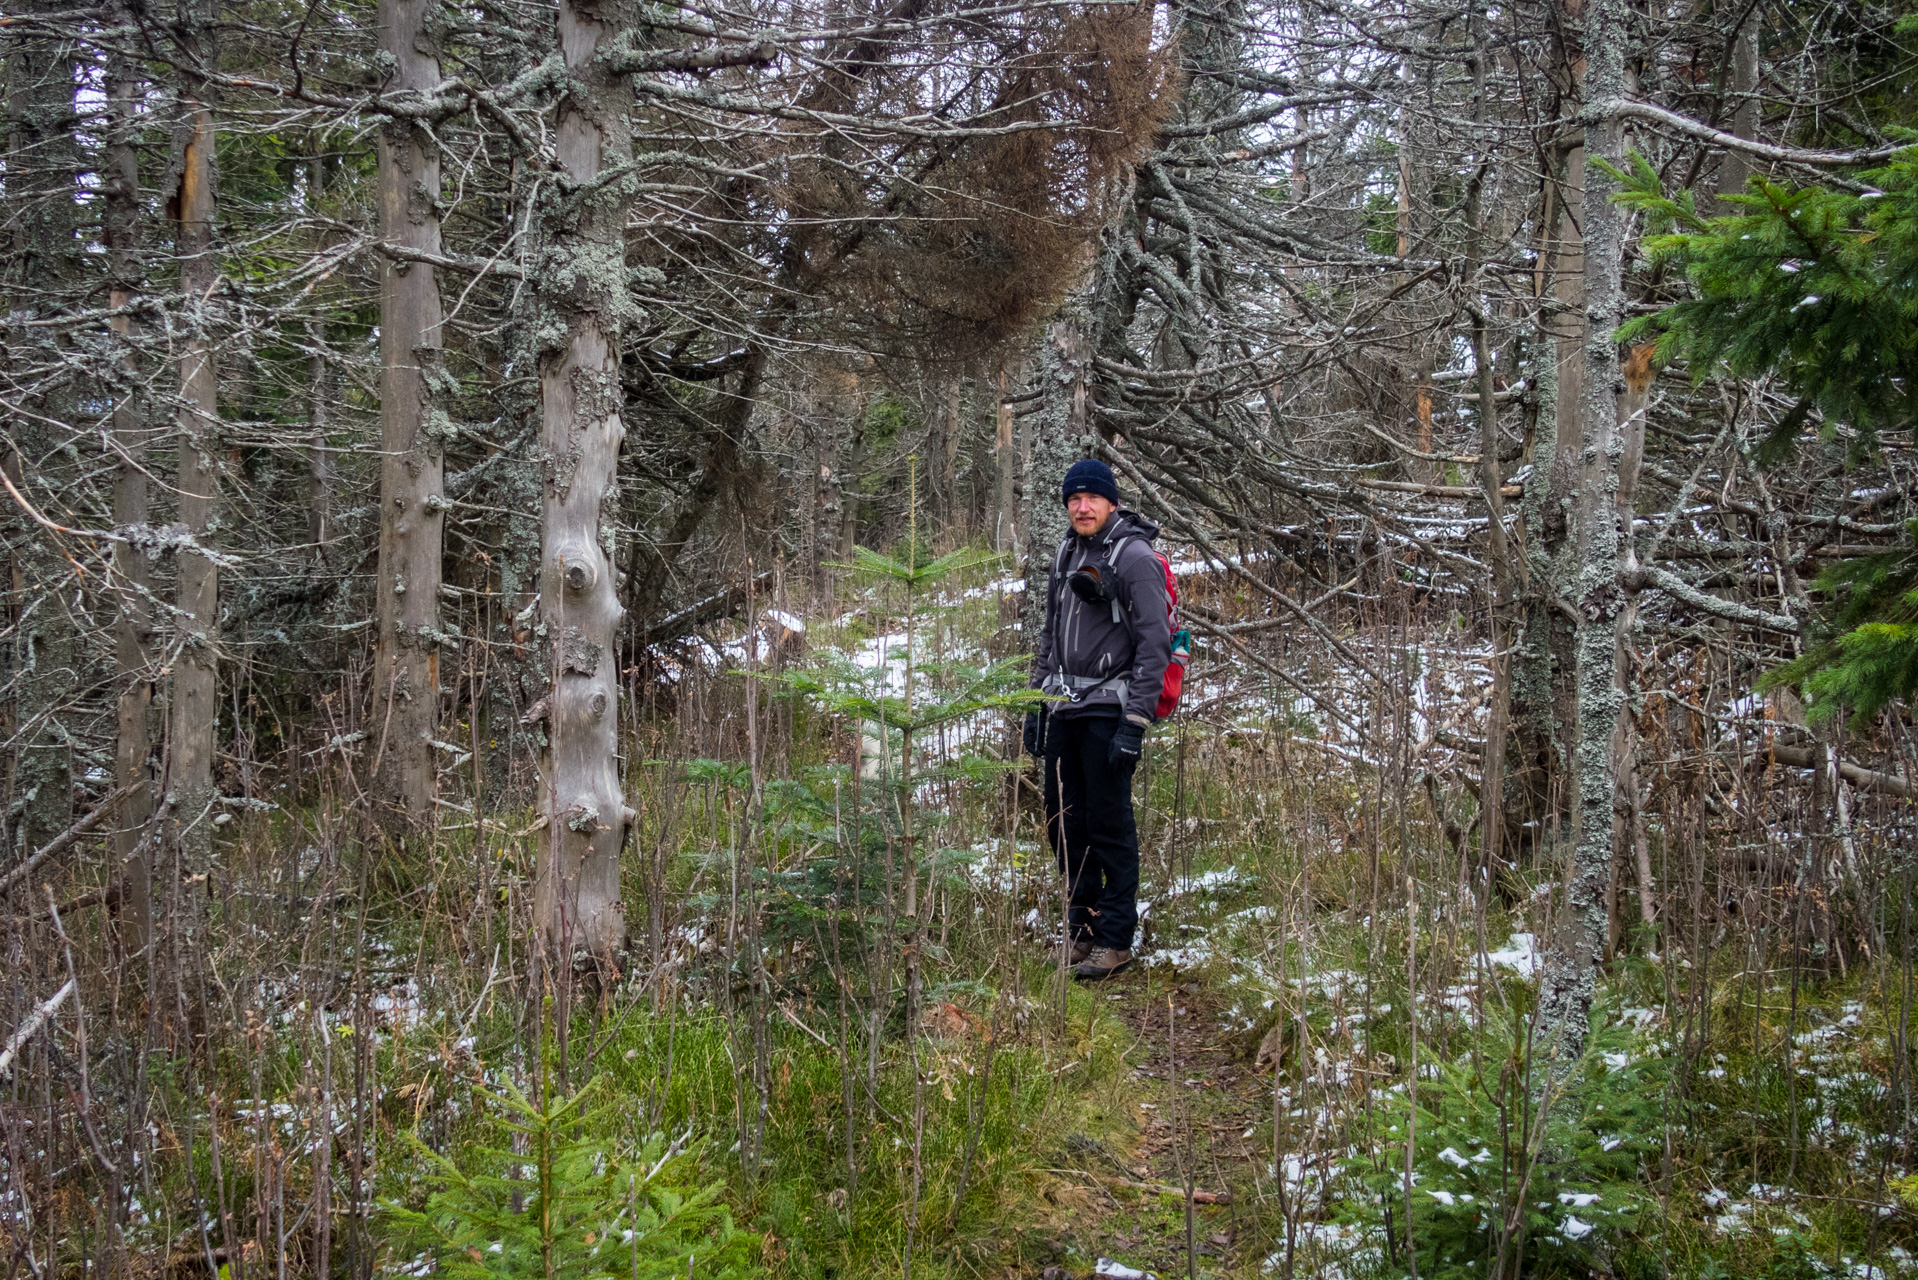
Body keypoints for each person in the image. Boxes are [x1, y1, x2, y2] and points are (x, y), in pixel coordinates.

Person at [1022, 458, 1170, 981]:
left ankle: (1115, 940)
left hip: (1110, 710)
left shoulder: (1134, 558)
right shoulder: (1065, 551)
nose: (1082, 507)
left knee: (1109, 825)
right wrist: (1037, 703)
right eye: (1074, 499)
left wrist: (1135, 722)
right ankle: (1081, 931)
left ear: (1112, 502)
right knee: (1063, 823)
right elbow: (1048, 634)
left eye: (1092, 498)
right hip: (1064, 708)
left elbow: (1156, 646)